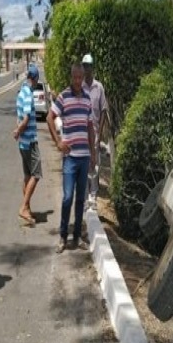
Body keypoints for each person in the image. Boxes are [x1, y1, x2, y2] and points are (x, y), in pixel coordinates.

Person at [47, 64, 96, 254]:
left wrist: (92, 153)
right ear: (71, 77)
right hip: (70, 158)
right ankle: (62, 236)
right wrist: (58, 141)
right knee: (67, 198)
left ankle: (76, 237)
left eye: (80, 78)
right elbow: (50, 117)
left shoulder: (87, 98)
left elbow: (90, 126)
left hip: (84, 157)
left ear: (83, 77)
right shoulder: (63, 97)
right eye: (74, 77)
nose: (77, 81)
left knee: (80, 200)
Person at [13, 64, 43, 226]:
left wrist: (17, 130)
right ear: (36, 79)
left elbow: (18, 117)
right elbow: (24, 119)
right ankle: (24, 207)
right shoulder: (28, 95)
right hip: (30, 141)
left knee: (27, 176)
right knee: (36, 174)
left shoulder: (20, 93)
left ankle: (28, 210)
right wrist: (19, 130)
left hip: (23, 143)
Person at [81, 53, 108, 210]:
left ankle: (93, 196)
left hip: (95, 133)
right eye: (84, 66)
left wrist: (101, 130)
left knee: (95, 165)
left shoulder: (99, 87)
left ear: (93, 67)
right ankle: (85, 198)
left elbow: (103, 109)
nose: (87, 69)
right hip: (82, 133)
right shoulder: (80, 87)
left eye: (89, 66)